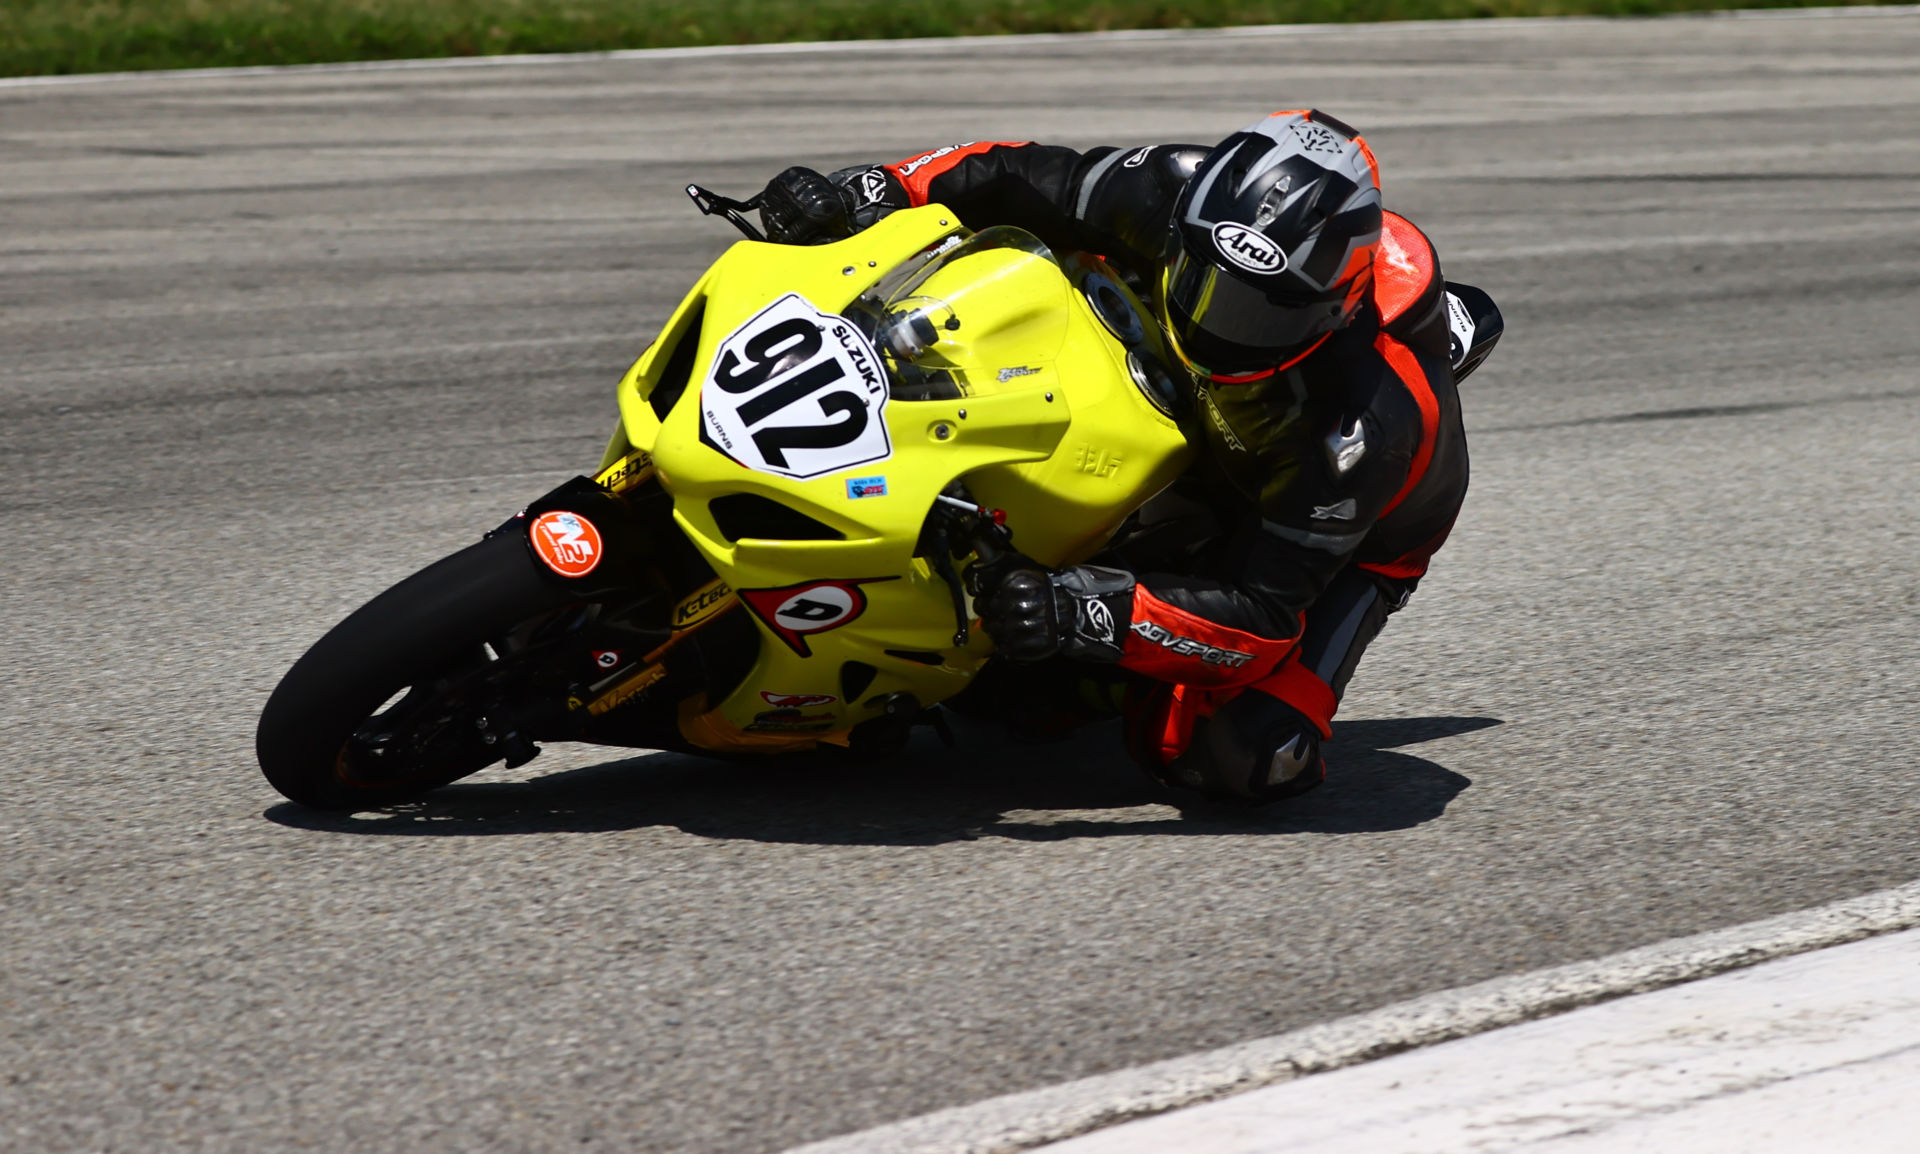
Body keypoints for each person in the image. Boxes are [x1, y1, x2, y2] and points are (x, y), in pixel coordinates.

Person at [755, 111, 1471, 804]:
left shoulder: (1361, 430)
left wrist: (1078, 611)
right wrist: (872, 190)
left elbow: (1260, 617)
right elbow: (1012, 175)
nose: (1216, 324)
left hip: (1343, 536)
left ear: (1333, 309)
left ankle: (1088, 688)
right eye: (1204, 281)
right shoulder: (1169, 187)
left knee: (1241, 751)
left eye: (1257, 315)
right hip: (1181, 403)